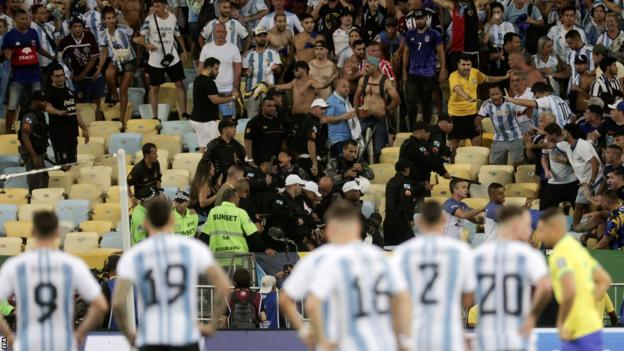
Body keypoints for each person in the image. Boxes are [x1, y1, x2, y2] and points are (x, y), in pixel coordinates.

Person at [112, 197, 231, 349]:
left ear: (146, 222)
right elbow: (224, 285)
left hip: (151, 338)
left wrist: (129, 335)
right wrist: (212, 325)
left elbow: (117, 302)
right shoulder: (193, 248)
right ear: (172, 219)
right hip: (186, 337)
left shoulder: (134, 255)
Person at [305, 200, 411, 351]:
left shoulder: (328, 258)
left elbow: (312, 303)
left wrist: (315, 335)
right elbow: (401, 298)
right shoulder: (378, 256)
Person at [0, 211, 108, 350]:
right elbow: (101, 305)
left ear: (32, 232)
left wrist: (8, 335)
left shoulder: (16, 265)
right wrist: (81, 333)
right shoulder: (72, 264)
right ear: (58, 232)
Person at [391, 200, 473, 350]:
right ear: (443, 220)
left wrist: (397, 337)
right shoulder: (460, 251)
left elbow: (395, 300)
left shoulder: (403, 252)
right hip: (449, 332)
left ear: (420, 221)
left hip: (415, 332)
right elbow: (468, 298)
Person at [473, 206, 552, 351]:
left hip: (486, 336)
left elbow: (466, 295)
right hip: (518, 334)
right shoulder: (529, 255)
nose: (530, 231)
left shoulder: (478, 254)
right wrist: (532, 317)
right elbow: (546, 288)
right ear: (516, 225)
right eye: (528, 226)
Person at [535, 208, 612, 351]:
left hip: (577, 328)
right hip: (591, 324)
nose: (539, 235)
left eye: (541, 230)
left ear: (553, 229)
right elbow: (605, 280)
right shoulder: (577, 249)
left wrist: (561, 322)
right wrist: (587, 303)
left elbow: (569, 291)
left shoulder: (559, 253)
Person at [1, 9, 55, 133]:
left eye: (26, 18)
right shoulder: (10, 36)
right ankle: (10, 132)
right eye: (22, 19)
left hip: (34, 75)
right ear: (15, 20)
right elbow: (3, 56)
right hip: (18, 77)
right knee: (12, 106)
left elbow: (39, 49)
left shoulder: (33, 32)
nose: (25, 21)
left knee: (38, 104)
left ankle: (37, 129)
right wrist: (5, 56)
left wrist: (52, 58)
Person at [136, 0, 189, 119]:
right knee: (154, 88)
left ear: (165, 6)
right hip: (155, 59)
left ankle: (184, 112)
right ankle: (155, 117)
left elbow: (178, 34)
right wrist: (147, 45)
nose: (156, 9)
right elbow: (141, 38)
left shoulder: (173, 18)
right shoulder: (149, 19)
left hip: (172, 56)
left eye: (158, 6)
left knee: (179, 84)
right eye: (154, 6)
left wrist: (184, 50)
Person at [447, 54, 511, 150]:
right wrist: (468, 98)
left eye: (468, 65)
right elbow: (457, 89)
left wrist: (505, 77)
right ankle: (450, 162)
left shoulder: (474, 72)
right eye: (463, 65)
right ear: (458, 65)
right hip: (456, 115)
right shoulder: (453, 76)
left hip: (472, 114)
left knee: (477, 144)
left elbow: (487, 79)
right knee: (453, 147)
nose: (466, 67)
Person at [403, 9, 446, 126]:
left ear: (426, 19)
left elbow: (441, 52)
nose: (420, 21)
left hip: (428, 73)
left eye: (422, 18)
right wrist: (404, 71)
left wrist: (442, 69)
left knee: (426, 102)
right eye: (417, 19)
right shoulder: (409, 34)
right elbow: (406, 53)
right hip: (413, 72)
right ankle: (412, 129)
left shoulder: (434, 34)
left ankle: (427, 128)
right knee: (411, 103)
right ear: (414, 20)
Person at [202, 188, 275, 257]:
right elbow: (252, 234)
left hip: (217, 256)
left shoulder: (213, 212)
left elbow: (205, 235)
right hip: (238, 256)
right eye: (237, 197)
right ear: (232, 198)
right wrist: (265, 249)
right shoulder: (240, 212)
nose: (239, 199)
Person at [353, 55, 400, 161]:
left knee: (379, 147)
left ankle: (379, 168)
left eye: (368, 66)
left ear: (375, 66)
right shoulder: (363, 79)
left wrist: (386, 109)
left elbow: (396, 99)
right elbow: (356, 97)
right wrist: (357, 112)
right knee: (360, 146)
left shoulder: (385, 82)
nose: (365, 68)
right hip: (365, 116)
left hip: (379, 118)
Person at [98, 6, 137, 127]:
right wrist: (98, 69)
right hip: (115, 60)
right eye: (108, 18)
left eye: (113, 18)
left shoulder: (123, 29)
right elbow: (104, 53)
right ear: (104, 20)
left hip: (129, 60)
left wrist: (120, 17)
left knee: (123, 91)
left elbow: (132, 32)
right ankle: (113, 94)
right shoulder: (102, 34)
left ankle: (122, 120)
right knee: (108, 74)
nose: (111, 20)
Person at [559, 123, 604, 225]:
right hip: (585, 182)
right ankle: (575, 228)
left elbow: (595, 163)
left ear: (569, 133)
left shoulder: (582, 145)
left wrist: (591, 182)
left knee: (600, 206)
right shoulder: (568, 145)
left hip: (597, 180)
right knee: (578, 205)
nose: (562, 133)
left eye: (563, 131)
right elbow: (551, 144)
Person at [46, 64, 89, 169]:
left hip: (72, 132)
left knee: (73, 164)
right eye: (57, 76)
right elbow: (47, 107)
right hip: (59, 134)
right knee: (64, 166)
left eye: (62, 75)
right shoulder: (49, 92)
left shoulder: (69, 91)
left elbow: (74, 110)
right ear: (51, 77)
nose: (60, 78)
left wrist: (84, 127)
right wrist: (58, 112)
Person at [192, 57, 238, 151]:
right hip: (205, 121)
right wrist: (232, 98)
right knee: (212, 148)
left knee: (203, 148)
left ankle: (203, 166)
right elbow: (215, 100)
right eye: (216, 69)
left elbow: (208, 97)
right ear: (209, 68)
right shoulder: (208, 82)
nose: (218, 71)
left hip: (198, 119)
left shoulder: (198, 79)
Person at [198, 22, 241, 118]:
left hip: (227, 90)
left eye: (223, 32)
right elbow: (201, 68)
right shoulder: (206, 47)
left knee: (227, 118)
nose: (220, 34)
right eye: (218, 32)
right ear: (213, 33)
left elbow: (237, 69)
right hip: (210, 90)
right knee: (211, 118)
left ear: (226, 33)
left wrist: (235, 87)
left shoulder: (233, 48)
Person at [477, 84, 525, 166]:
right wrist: (479, 126)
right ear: (489, 95)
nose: (495, 97)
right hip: (498, 139)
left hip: (515, 137)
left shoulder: (511, 102)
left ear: (501, 93)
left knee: (518, 166)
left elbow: (524, 114)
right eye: (492, 95)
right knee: (494, 165)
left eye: (497, 94)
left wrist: (526, 131)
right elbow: (479, 117)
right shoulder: (486, 104)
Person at [59, 18, 104, 105]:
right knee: (83, 104)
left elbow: (95, 57)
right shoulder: (65, 41)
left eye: (80, 26)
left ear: (83, 27)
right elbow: (60, 60)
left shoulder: (89, 35)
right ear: (70, 29)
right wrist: (70, 75)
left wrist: (82, 75)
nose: (78, 29)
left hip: (95, 76)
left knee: (97, 104)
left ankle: (98, 119)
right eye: (75, 27)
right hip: (78, 79)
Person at [242, 27, 281, 118]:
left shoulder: (274, 53)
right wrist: (247, 72)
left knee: (270, 118)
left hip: (269, 93)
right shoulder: (247, 54)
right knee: (252, 118)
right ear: (255, 38)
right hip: (252, 92)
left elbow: (279, 70)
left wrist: (276, 68)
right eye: (259, 36)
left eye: (264, 35)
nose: (262, 38)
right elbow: (243, 72)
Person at [540, 123, 579, 210]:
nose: (545, 137)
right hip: (554, 182)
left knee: (579, 209)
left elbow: (578, 162)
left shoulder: (568, 143)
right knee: (544, 210)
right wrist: (546, 170)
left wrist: (565, 161)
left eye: (546, 135)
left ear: (553, 135)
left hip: (572, 182)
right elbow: (544, 158)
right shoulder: (546, 143)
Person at [399, 121, 449, 186]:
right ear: (422, 131)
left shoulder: (406, 143)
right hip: (416, 182)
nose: (429, 134)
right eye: (428, 132)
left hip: (410, 181)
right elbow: (430, 160)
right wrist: (443, 172)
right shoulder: (417, 146)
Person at [505, 82, 574, 128]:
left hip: (558, 131)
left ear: (537, 93)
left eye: (534, 95)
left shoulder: (547, 99)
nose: (534, 97)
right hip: (567, 129)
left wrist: (511, 100)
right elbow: (572, 116)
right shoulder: (559, 98)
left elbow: (529, 103)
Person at [17, 91, 49, 191]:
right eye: (43, 101)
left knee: (43, 180)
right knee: (36, 184)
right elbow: (25, 135)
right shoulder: (30, 116)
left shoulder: (38, 114)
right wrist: (34, 155)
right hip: (33, 154)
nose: (45, 103)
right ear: (35, 102)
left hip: (38, 152)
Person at [383, 159, 420, 245]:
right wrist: (410, 218)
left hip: (388, 221)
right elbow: (405, 201)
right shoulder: (406, 182)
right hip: (400, 221)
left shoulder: (391, 181)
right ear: (406, 169)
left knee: (390, 249)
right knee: (411, 247)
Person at [267, 174, 310, 248]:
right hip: (282, 241)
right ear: (294, 185)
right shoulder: (280, 198)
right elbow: (277, 211)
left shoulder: (296, 201)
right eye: (300, 185)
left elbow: (304, 216)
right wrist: (295, 219)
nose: (301, 188)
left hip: (294, 240)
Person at [244, 97, 286, 163]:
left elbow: (283, 140)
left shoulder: (279, 121)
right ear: (262, 107)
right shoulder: (254, 122)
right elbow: (248, 142)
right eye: (269, 106)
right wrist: (250, 159)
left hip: (277, 160)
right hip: (260, 161)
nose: (272, 108)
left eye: (274, 106)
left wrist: (284, 156)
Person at [325, 78, 358, 157]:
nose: (347, 89)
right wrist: (343, 117)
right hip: (337, 140)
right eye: (344, 86)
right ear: (336, 88)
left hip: (348, 139)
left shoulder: (346, 100)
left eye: (348, 87)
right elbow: (326, 119)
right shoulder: (331, 100)